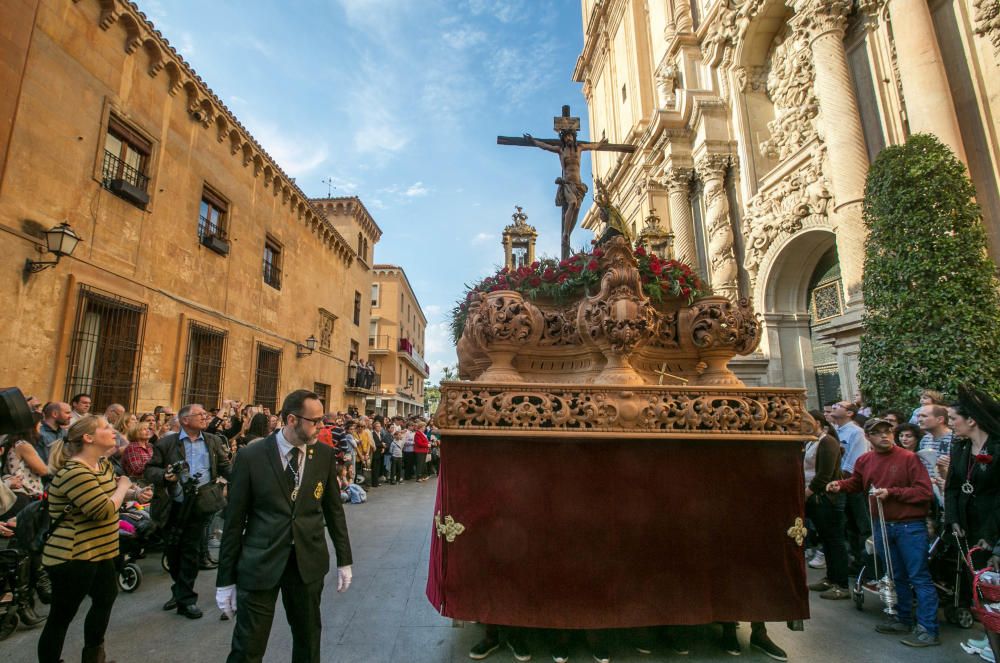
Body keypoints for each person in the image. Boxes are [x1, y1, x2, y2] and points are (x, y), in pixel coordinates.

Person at [216, 389, 353, 663]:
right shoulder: (251, 456)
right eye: (315, 421)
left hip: (307, 562)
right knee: (248, 646)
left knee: (308, 639)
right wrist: (225, 581)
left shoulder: (324, 455)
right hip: (260, 562)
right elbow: (234, 521)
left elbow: (334, 511)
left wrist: (344, 560)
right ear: (292, 419)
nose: (321, 427)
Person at [37, 415, 151, 663]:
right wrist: (123, 486)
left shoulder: (102, 465)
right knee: (61, 616)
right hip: (74, 554)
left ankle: (94, 656)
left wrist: (135, 493)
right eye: (105, 427)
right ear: (88, 438)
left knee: (105, 598)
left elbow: (111, 492)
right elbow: (103, 509)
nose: (113, 430)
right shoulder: (74, 472)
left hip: (101, 550)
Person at [827, 418, 939, 647]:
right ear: (868, 437)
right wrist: (840, 485)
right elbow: (858, 483)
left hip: (909, 525)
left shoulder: (908, 458)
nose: (884, 436)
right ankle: (903, 619)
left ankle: (929, 629)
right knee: (895, 575)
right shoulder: (865, 460)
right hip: (882, 524)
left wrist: (892, 492)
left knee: (919, 577)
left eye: (888, 431)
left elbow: (924, 492)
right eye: (878, 433)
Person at [145, 403, 232, 618]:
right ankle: (179, 589)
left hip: (199, 504)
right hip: (172, 504)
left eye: (205, 413)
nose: (205, 417)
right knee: (173, 551)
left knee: (190, 551)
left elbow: (225, 468)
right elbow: (150, 470)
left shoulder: (212, 442)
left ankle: (186, 599)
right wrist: (164, 476)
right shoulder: (167, 443)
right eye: (200, 414)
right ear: (185, 420)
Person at [945, 386, 1000, 654]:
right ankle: (991, 636)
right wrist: (954, 518)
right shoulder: (960, 447)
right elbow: (953, 486)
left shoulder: (998, 448)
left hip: (993, 526)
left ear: (971, 420)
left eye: (953, 418)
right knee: (980, 586)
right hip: (968, 527)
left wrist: (992, 535)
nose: (950, 424)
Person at [804, 410, 849, 599]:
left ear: (819, 423)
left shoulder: (827, 442)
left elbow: (824, 474)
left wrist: (807, 493)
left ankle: (841, 583)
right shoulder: (812, 441)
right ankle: (831, 578)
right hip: (817, 497)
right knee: (826, 540)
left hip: (825, 499)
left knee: (834, 540)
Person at [831, 401, 870, 572]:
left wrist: (843, 479)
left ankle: (867, 564)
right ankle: (855, 561)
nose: (834, 408)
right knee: (849, 525)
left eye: (839, 406)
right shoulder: (835, 431)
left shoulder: (856, 432)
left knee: (861, 524)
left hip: (853, 483)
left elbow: (856, 459)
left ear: (850, 413)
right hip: (840, 483)